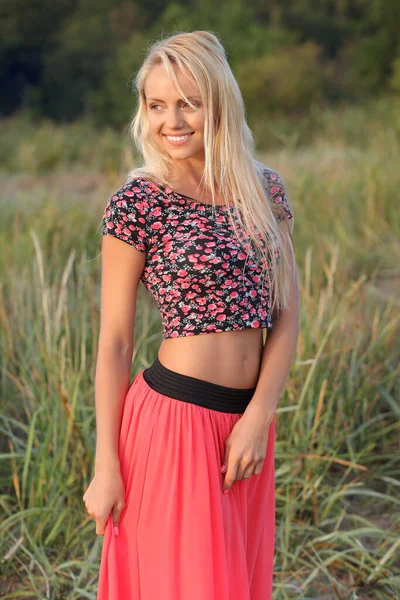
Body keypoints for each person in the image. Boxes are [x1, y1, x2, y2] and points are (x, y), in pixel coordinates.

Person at [83, 30, 300, 600]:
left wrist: (259, 417)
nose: (171, 121)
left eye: (188, 103)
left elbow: (287, 315)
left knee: (237, 584)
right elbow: (114, 344)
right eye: (156, 105)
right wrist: (106, 465)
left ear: (219, 103)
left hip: (247, 426)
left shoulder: (264, 190)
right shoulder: (138, 202)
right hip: (173, 423)